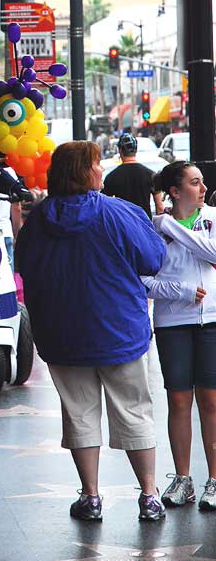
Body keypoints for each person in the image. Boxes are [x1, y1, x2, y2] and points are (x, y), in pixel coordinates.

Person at [15, 140, 167, 522]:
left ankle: (91, 496)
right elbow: (154, 259)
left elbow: (24, 266)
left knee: (78, 413)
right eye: (97, 165)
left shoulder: (38, 221)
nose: (102, 171)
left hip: (62, 335)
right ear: (86, 171)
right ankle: (149, 495)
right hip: (119, 331)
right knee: (134, 411)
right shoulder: (120, 213)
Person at [142, 161, 216, 511]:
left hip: (212, 320)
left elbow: (213, 252)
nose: (202, 189)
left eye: (202, 183)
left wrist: (171, 223)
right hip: (172, 322)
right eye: (194, 183)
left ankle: (214, 480)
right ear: (174, 190)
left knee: (212, 402)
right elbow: (142, 279)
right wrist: (180, 290)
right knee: (179, 402)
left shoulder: (210, 218)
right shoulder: (153, 230)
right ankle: (183, 479)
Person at [103, 133, 164, 218]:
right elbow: (160, 207)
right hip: (145, 226)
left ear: (120, 150)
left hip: (123, 226)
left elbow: (104, 207)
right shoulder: (151, 175)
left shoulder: (111, 177)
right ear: (136, 150)